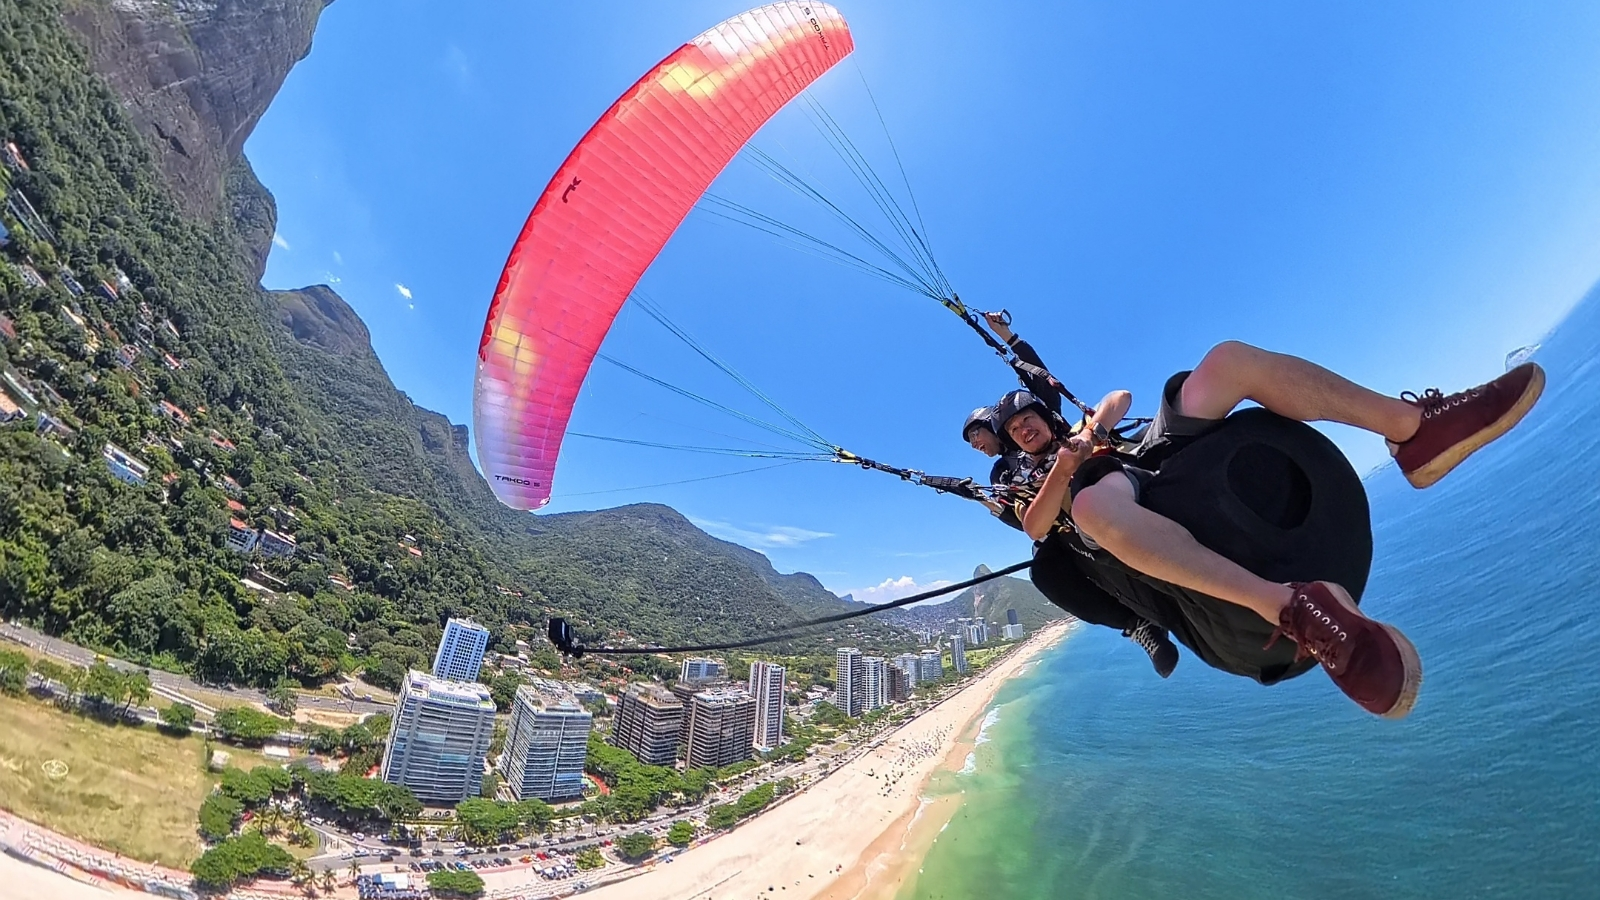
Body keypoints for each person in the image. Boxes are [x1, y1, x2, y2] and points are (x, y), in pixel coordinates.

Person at [1001, 341, 1545, 718]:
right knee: (1094, 509)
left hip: (1152, 454)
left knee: (1225, 362)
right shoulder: (1035, 481)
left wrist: (1090, 432)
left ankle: (1415, 430)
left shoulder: (1076, 428)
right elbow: (1036, 525)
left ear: (1045, 418)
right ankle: (1285, 605)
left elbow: (1121, 398)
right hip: (1118, 494)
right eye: (1014, 431)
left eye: (1028, 418)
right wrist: (1069, 468)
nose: (1024, 430)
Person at [960, 313, 1181, 677]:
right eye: (1014, 428)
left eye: (976, 436)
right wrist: (991, 504)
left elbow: (1043, 383)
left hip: (1109, 475)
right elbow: (1027, 523)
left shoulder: (1054, 426)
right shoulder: (1003, 474)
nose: (976, 446)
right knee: (1044, 570)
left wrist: (1010, 339)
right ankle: (1137, 624)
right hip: (1070, 521)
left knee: (1159, 444)